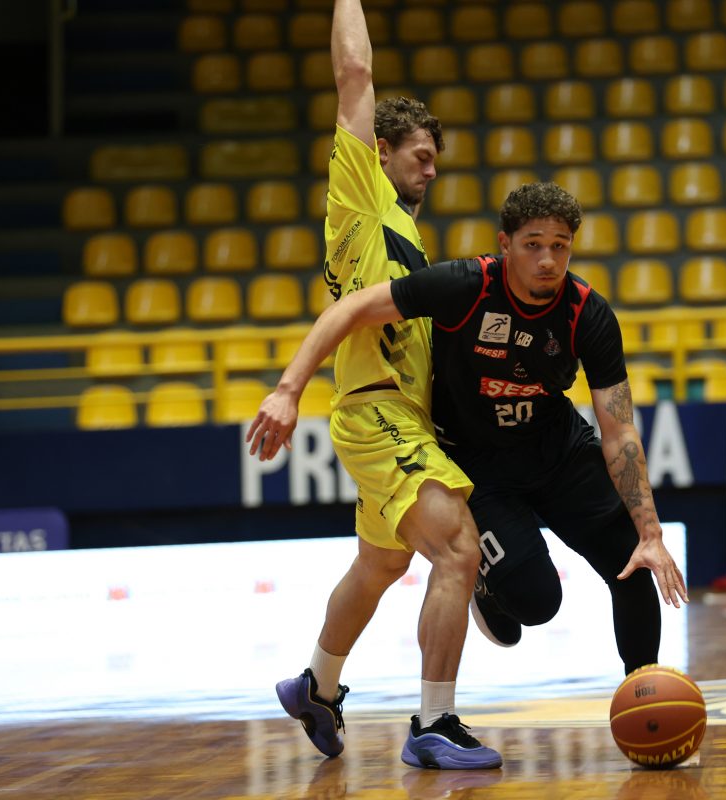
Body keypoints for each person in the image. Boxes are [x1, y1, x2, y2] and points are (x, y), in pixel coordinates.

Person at [248, 182, 688, 693]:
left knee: (630, 558)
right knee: (536, 603)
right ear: (506, 244)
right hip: (478, 466)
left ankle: (644, 698)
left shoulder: (587, 312)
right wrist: (288, 391)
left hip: (556, 449)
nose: (548, 260)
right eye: (533, 245)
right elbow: (349, 309)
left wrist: (651, 534)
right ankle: (486, 582)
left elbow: (619, 430)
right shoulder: (466, 285)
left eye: (560, 245)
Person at [257, 0, 501, 771]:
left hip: (400, 420)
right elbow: (355, 72)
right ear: (381, 151)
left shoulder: (405, 233)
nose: (432, 169)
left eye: (435, 159)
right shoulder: (361, 194)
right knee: (457, 548)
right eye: (420, 156)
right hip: (376, 413)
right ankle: (434, 722)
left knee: (383, 564)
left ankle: (316, 686)